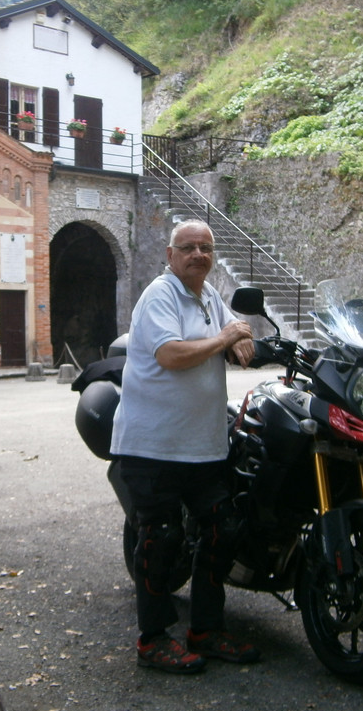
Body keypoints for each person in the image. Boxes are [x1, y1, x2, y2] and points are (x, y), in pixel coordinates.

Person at [110, 219, 261, 673]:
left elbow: (232, 326)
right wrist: (227, 338)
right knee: (160, 538)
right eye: (189, 247)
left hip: (200, 446)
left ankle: (206, 630)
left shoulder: (208, 295)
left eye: (206, 248)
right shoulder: (160, 294)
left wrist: (239, 333)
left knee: (222, 527)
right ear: (171, 255)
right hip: (152, 445)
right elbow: (171, 355)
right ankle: (152, 640)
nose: (199, 254)